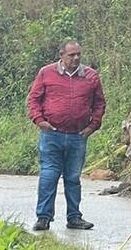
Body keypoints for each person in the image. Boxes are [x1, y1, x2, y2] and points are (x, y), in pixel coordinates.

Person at [27, 40, 105, 231]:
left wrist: (93, 125)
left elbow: (99, 103)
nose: (76, 58)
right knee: (49, 175)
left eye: (78, 54)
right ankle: (43, 217)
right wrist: (39, 120)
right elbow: (34, 99)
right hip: (52, 134)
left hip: (78, 135)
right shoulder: (46, 73)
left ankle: (74, 217)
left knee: (72, 177)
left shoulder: (91, 76)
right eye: (71, 55)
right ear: (61, 55)